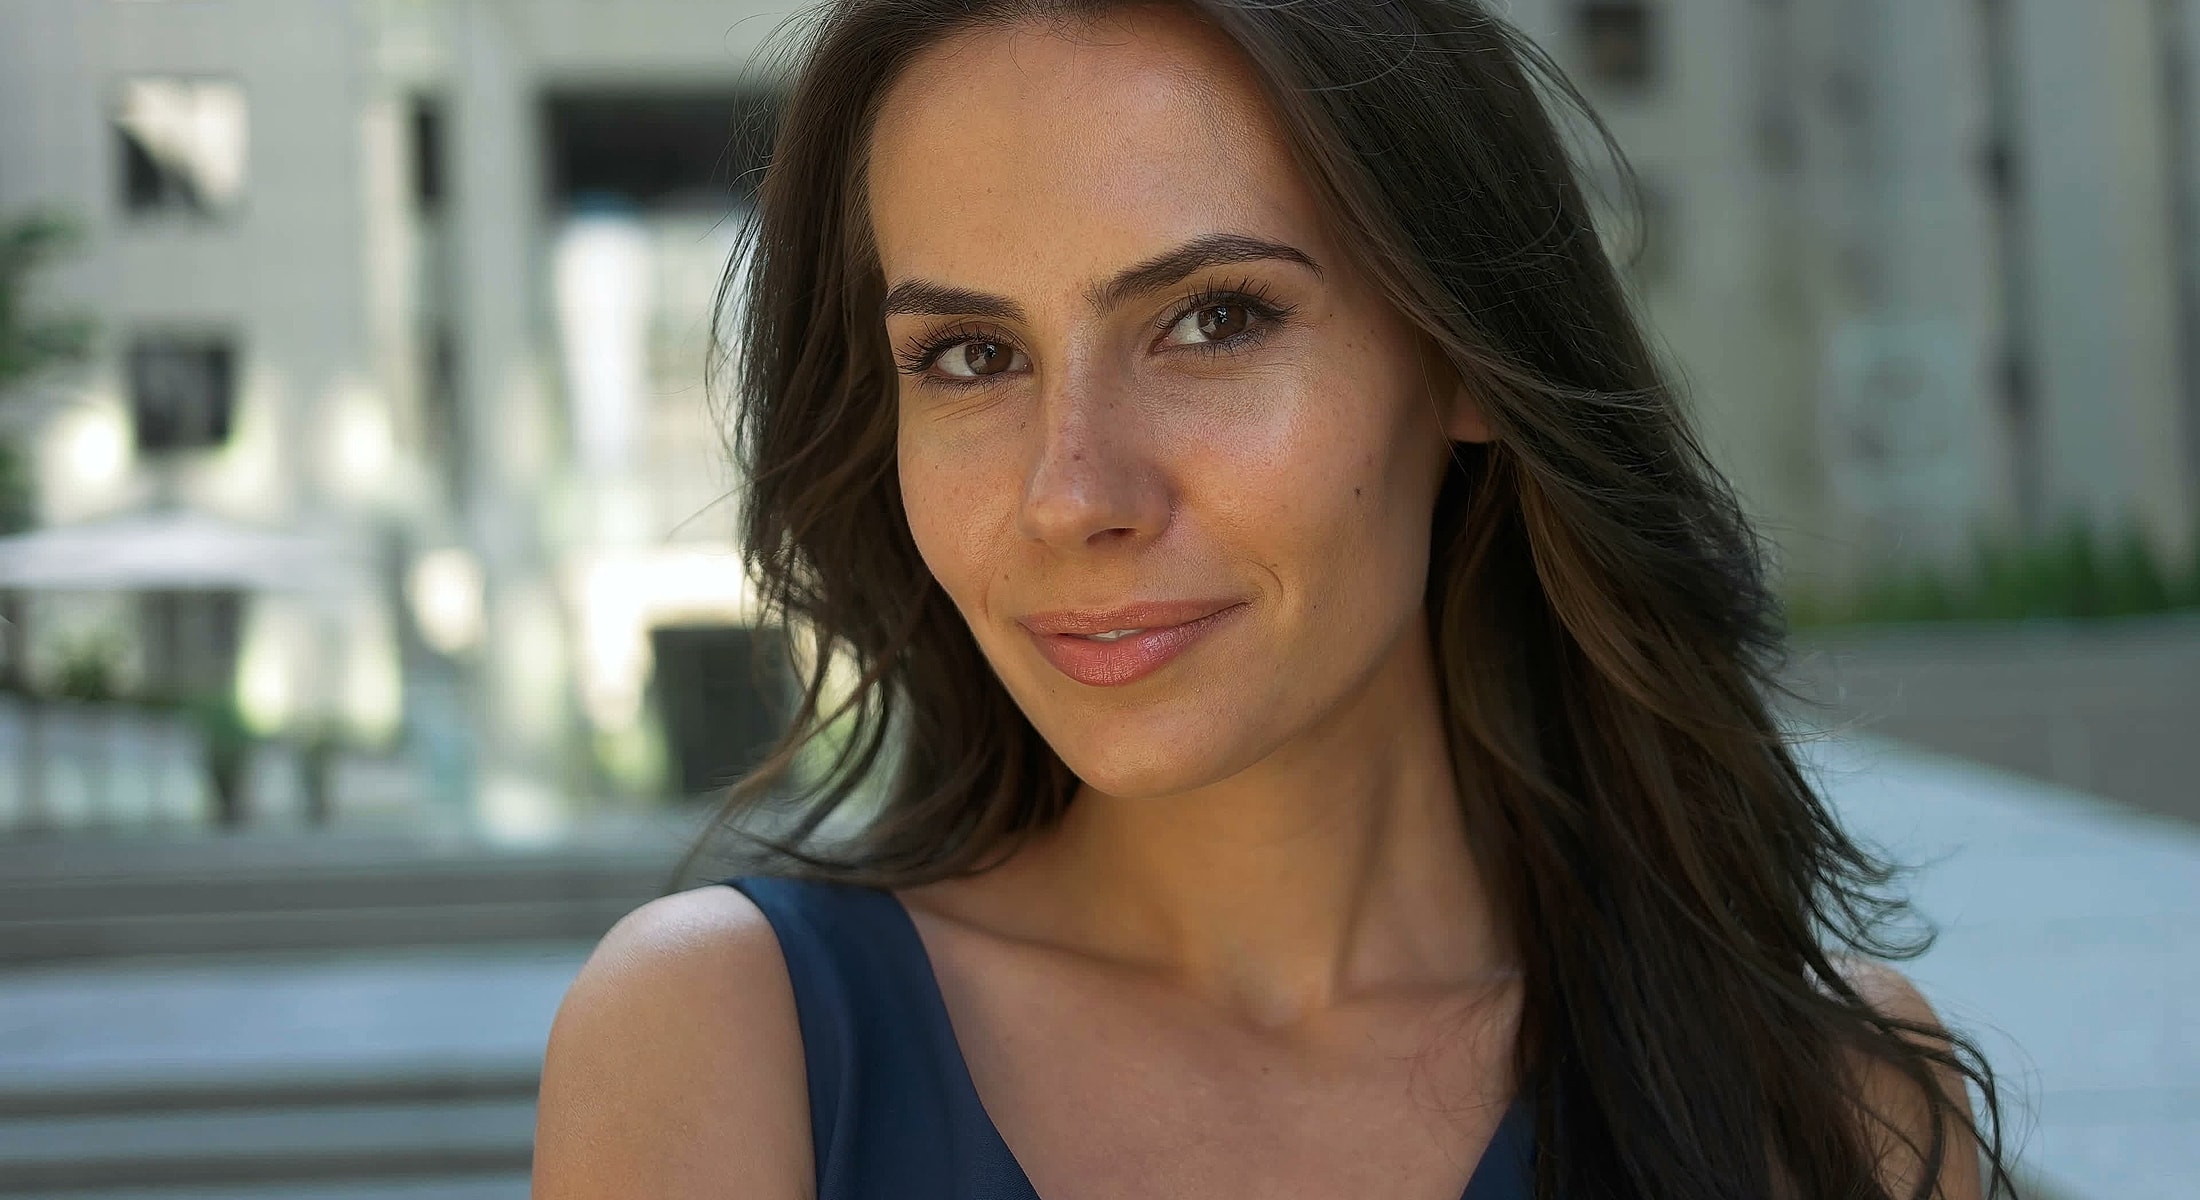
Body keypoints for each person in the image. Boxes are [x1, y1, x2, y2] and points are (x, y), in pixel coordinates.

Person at [533, 2, 2014, 1197]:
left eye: (1212, 320)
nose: (1073, 493)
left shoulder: (1828, 1115)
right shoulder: (735, 1050)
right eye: (971, 356)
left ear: (1461, 359)